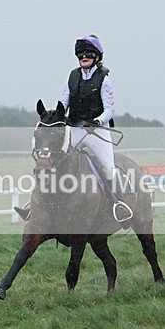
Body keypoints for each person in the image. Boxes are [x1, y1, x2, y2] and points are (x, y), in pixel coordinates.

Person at [15, 34, 133, 223]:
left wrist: (97, 121)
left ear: (96, 56)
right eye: (80, 54)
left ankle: (117, 204)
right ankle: (34, 206)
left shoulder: (104, 79)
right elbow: (64, 102)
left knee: (108, 168)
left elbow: (110, 109)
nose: (83, 57)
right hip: (74, 129)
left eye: (87, 53)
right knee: (52, 160)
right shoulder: (72, 76)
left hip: (97, 131)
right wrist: (55, 116)